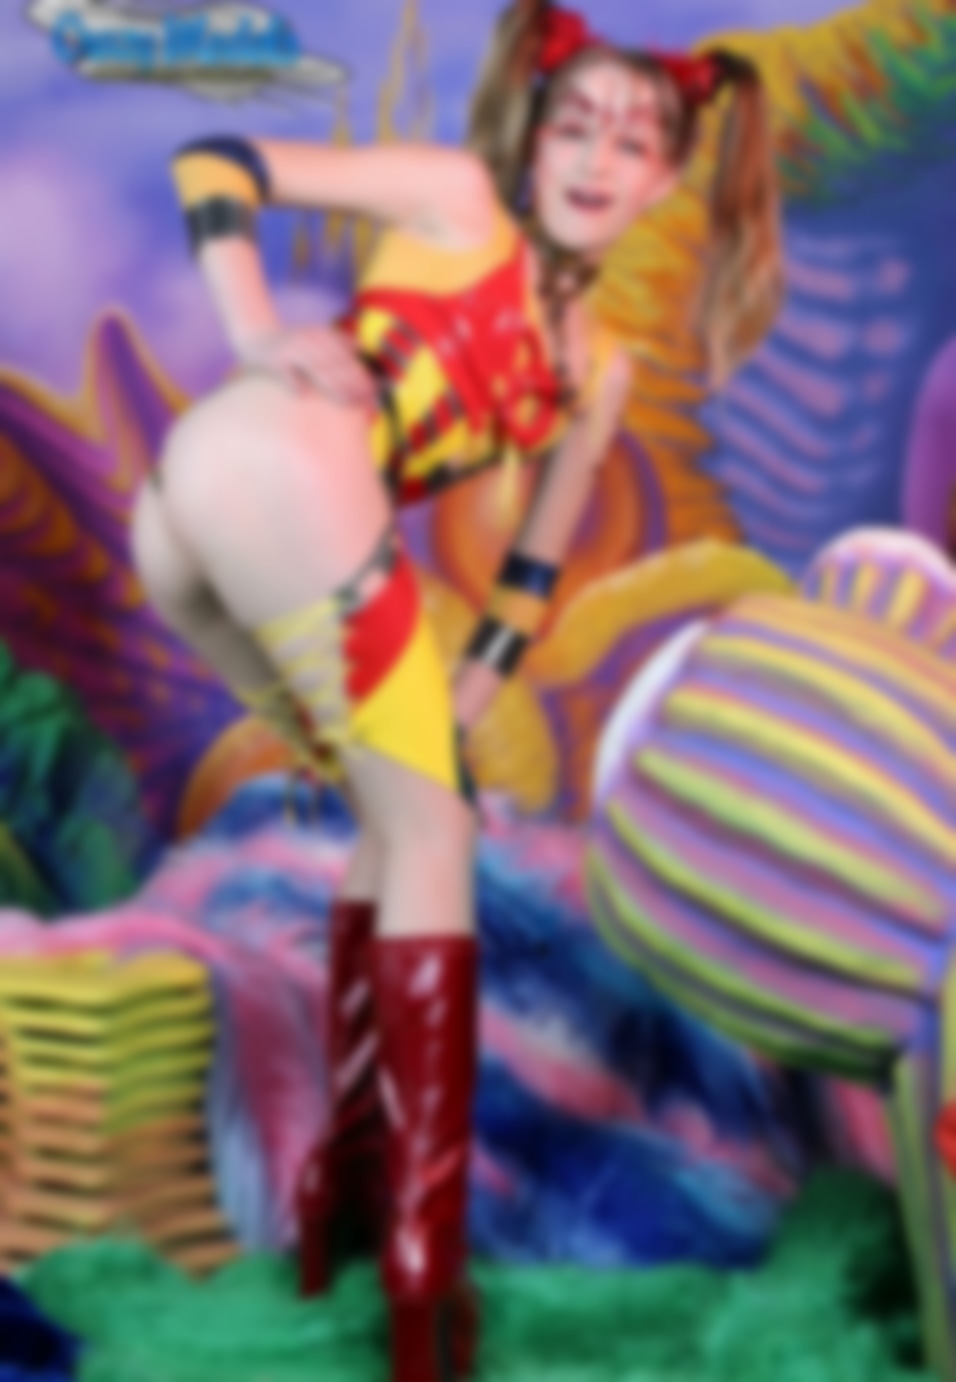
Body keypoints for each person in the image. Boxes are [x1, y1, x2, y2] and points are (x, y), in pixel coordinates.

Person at [130, 4, 783, 1378]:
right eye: (574, 125)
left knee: (398, 815)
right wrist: (256, 329)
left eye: (633, 140)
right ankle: (424, 1272)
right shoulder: (455, 197)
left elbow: (537, 555)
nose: (596, 158)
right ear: (531, 139)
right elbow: (213, 160)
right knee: (434, 829)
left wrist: (481, 684)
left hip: (224, 529)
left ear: (667, 175)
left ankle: (341, 1196)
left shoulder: (594, 368)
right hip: (264, 460)